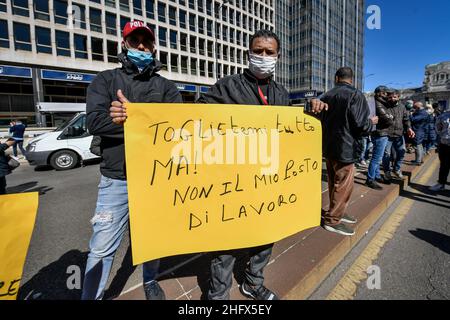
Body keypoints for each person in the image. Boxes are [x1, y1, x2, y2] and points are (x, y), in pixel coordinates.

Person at [197, 29, 327, 300]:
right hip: (233, 181)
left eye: (269, 52)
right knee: (226, 244)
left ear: (278, 56)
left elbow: (291, 130)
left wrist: (312, 109)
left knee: (265, 237)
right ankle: (218, 295)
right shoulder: (227, 86)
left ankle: (252, 284)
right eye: (258, 51)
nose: (263, 57)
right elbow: (196, 119)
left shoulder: (281, 92)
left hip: (269, 181)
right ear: (249, 53)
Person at [82, 21, 183, 300]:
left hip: (156, 178)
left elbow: (175, 128)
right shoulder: (105, 80)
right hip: (116, 178)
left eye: (146, 42)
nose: (141, 46)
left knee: (153, 239)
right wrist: (147, 120)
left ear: (153, 47)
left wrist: (131, 117)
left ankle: (150, 281)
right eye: (134, 40)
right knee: (102, 246)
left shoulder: (166, 86)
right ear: (124, 44)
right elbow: (95, 122)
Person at [319, 67, 378, 236]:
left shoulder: (326, 95)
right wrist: (371, 122)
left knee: (334, 182)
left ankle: (337, 211)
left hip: (329, 146)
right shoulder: (355, 94)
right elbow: (360, 125)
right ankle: (333, 219)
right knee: (343, 184)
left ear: (336, 78)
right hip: (346, 146)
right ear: (351, 79)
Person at [365, 86, 394, 190]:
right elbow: (388, 120)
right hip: (380, 134)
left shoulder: (380, 103)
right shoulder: (378, 104)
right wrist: (391, 117)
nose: (388, 95)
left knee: (378, 158)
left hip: (380, 133)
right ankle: (370, 179)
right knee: (376, 158)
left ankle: (376, 176)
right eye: (386, 93)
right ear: (379, 94)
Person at [382, 90, 415, 180]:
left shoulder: (402, 107)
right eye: (390, 97)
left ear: (398, 97)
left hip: (399, 134)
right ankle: (387, 172)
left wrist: (409, 128)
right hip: (387, 135)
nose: (392, 99)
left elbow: (406, 119)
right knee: (386, 155)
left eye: (394, 97)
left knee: (402, 152)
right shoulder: (384, 106)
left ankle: (396, 169)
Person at [429, 108, 450, 192]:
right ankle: (441, 184)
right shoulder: (443, 116)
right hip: (444, 144)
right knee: (444, 165)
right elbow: (438, 129)